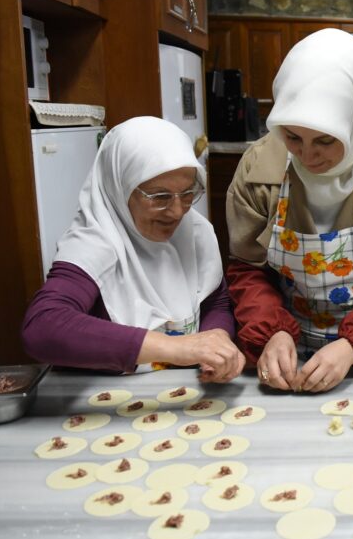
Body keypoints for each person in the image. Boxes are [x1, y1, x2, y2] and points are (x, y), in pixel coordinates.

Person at [225, 28, 353, 393]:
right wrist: (272, 332)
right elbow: (247, 270)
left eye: (325, 140)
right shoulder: (259, 168)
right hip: (285, 356)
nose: (307, 155)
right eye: (293, 137)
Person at [22, 117, 244, 381]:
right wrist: (175, 347)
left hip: (182, 392)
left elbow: (214, 303)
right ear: (119, 189)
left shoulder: (195, 232)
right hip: (107, 396)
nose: (177, 212)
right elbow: (43, 327)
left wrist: (216, 336)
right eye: (159, 197)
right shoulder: (94, 242)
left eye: (187, 194)